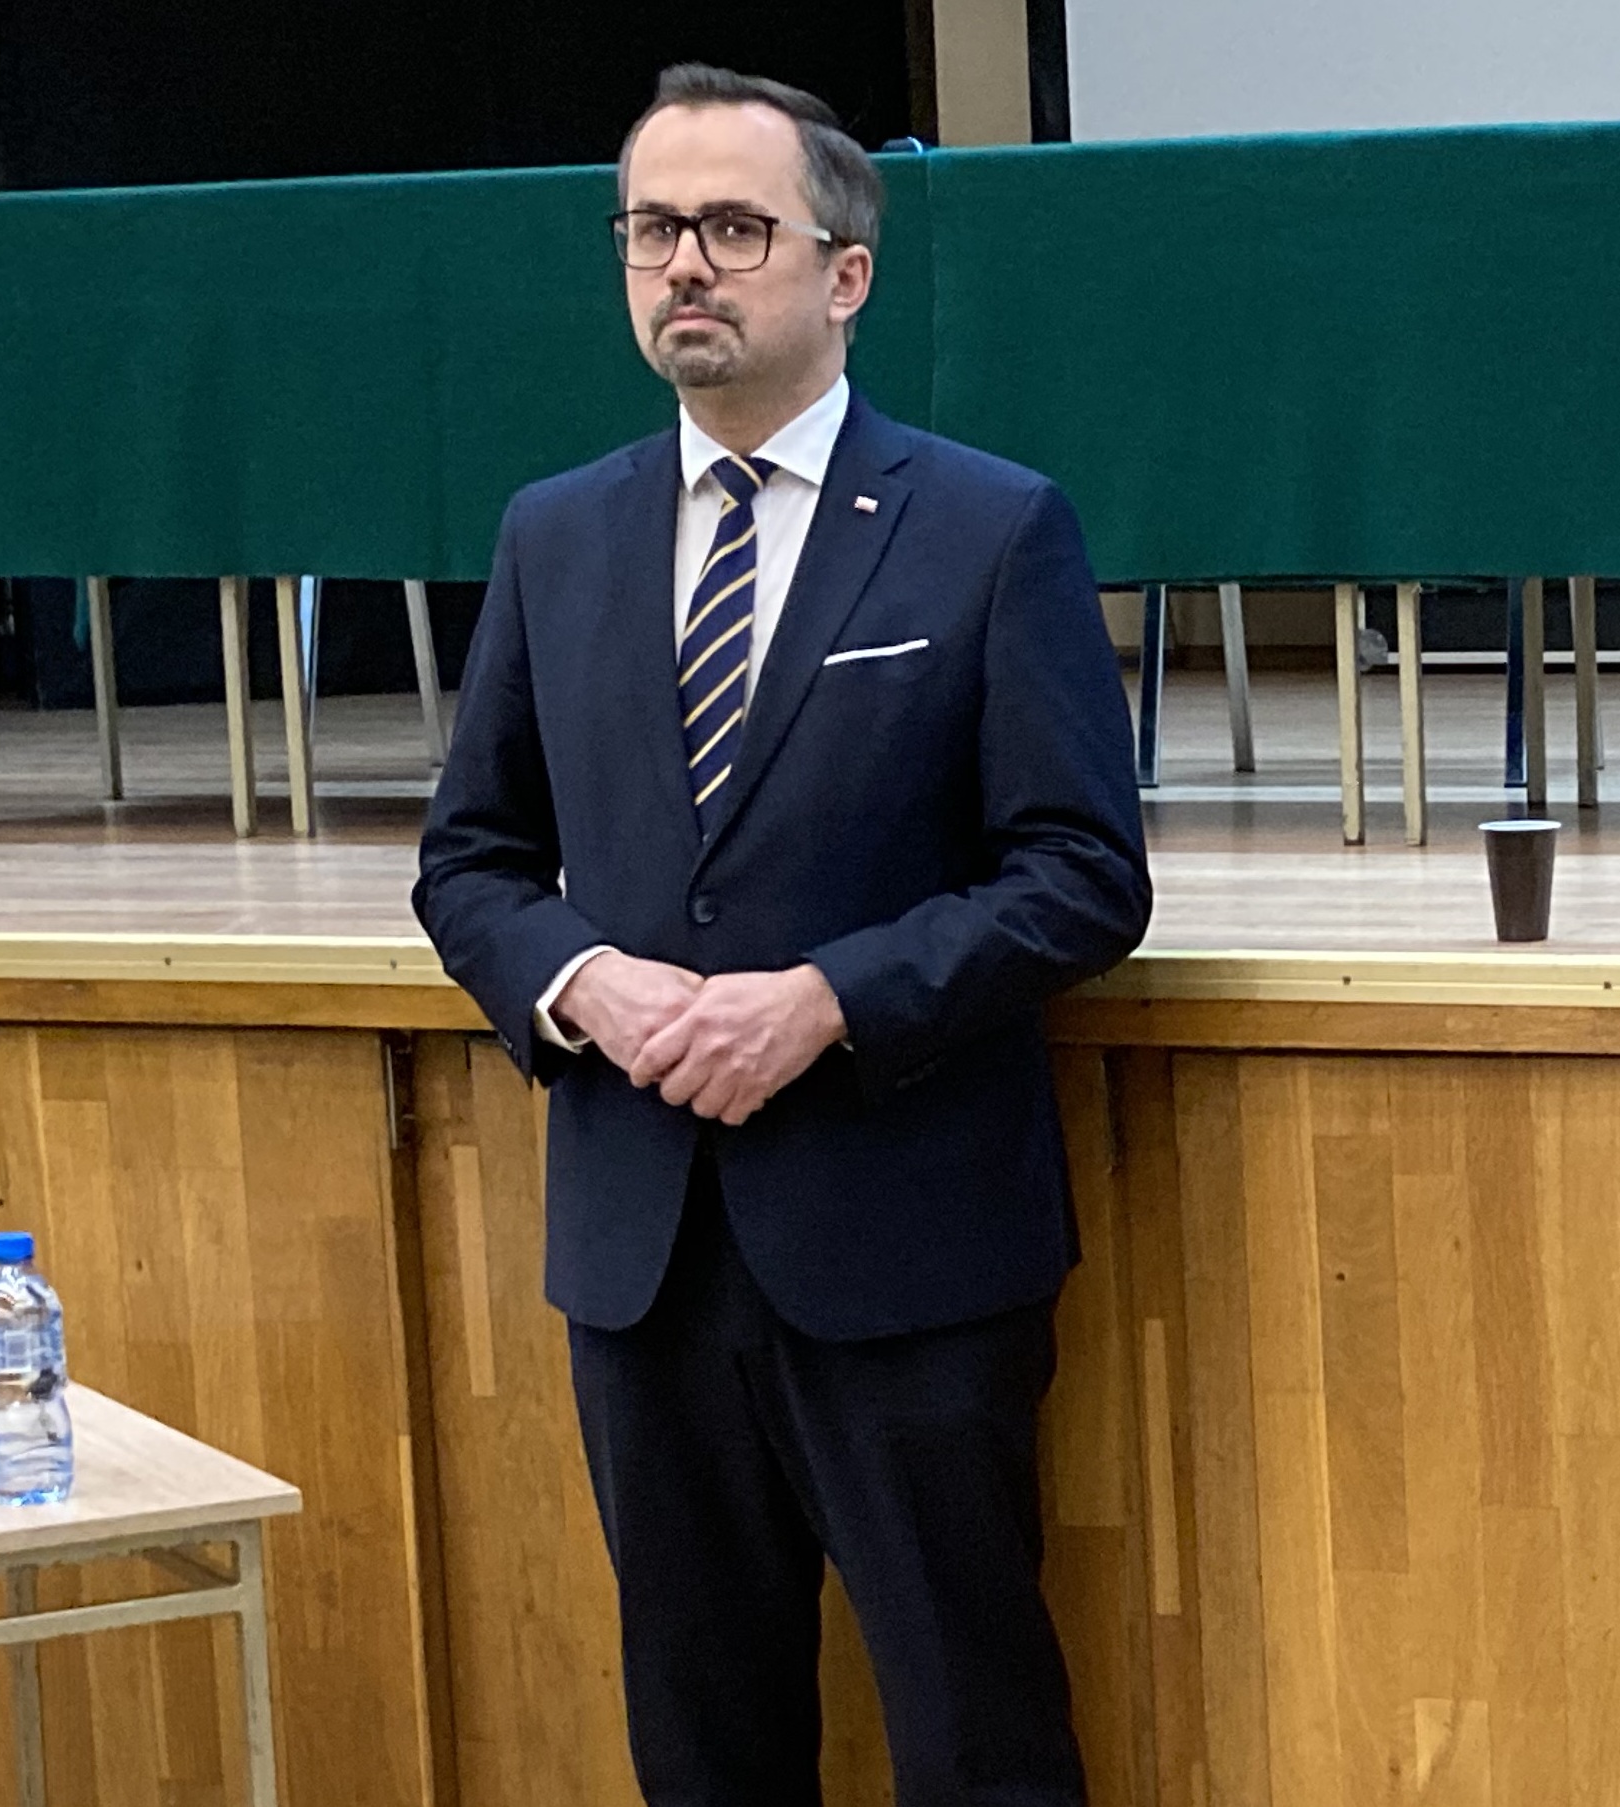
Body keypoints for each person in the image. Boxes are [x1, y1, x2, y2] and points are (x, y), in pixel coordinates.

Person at [415, 63, 1146, 1806]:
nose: (686, 266)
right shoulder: (555, 533)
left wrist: (829, 1000)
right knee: (703, 1738)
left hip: (901, 1249)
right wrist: (579, 978)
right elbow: (472, 863)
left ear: (845, 274)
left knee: (973, 1734)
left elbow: (1079, 873)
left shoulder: (989, 527)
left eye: (735, 228)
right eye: (654, 230)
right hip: (641, 1250)